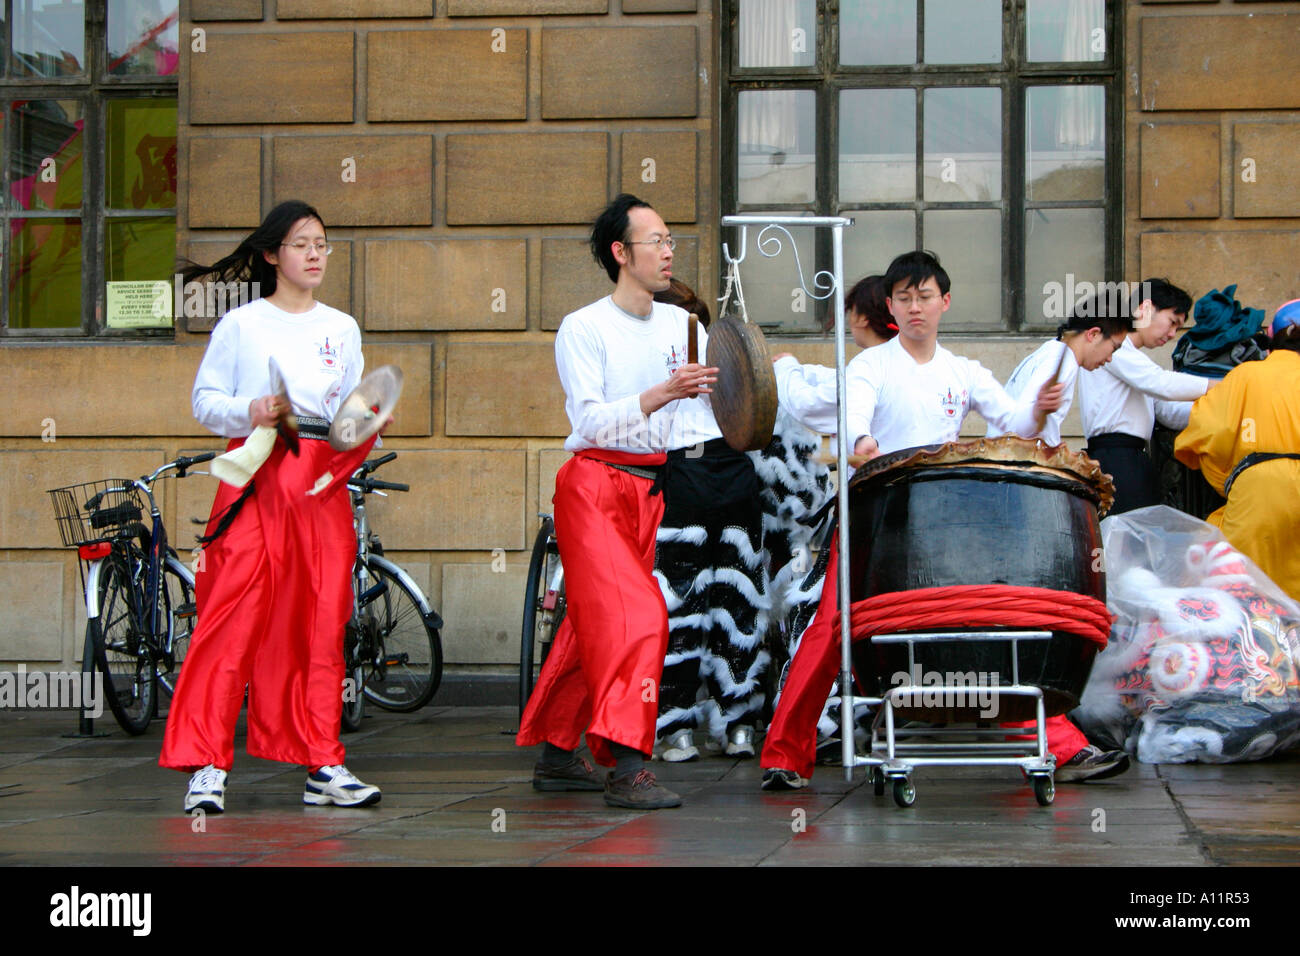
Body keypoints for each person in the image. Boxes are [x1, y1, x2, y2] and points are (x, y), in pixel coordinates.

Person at [760, 250, 1065, 790]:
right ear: (891, 307)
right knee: (833, 627)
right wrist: (862, 442)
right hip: (874, 511)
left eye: (925, 296)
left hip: (944, 518)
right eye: (904, 297)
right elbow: (855, 416)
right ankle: (785, 753)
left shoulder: (963, 372)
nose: (915, 306)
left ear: (945, 302)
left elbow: (1013, 420)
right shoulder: (869, 365)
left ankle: (1061, 743)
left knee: (992, 618)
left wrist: (1038, 409)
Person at [159, 200, 383, 813]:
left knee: (319, 623)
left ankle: (322, 761)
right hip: (257, 474)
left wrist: (366, 428)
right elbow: (205, 403)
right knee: (231, 617)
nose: (315, 254)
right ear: (271, 254)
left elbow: (353, 411)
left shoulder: (342, 327)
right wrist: (251, 410)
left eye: (323, 244)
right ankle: (207, 763)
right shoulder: (242, 326)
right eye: (302, 243)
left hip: (321, 486)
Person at [516, 194, 717, 809]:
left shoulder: (685, 327)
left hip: (648, 490)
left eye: (670, 239)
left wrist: (756, 381)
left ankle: (556, 756)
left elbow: (707, 420)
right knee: (640, 617)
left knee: (590, 628)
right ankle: (628, 767)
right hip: (593, 485)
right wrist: (661, 392)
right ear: (620, 253)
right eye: (654, 240)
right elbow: (590, 422)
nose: (668, 250)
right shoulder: (585, 327)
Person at [987, 292, 1137, 782]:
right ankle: (1054, 740)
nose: (1111, 358)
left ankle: (1052, 733)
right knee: (1040, 622)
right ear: (1093, 334)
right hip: (1027, 502)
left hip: (1012, 498)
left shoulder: (1045, 357)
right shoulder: (1062, 362)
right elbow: (1029, 436)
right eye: (1112, 346)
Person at [651, 280, 770, 762]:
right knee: (711, 603)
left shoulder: (685, 342)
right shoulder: (702, 345)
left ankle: (706, 724)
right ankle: (708, 724)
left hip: (706, 471)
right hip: (707, 473)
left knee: (708, 604)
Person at [1174, 300, 1300, 601]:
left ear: (1272, 337)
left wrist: (1227, 478)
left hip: (1263, 489)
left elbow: (1207, 431)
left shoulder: (1247, 374)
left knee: (1242, 590)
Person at [1077, 278, 1217, 514]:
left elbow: (1167, 412)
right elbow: (1161, 383)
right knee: (1125, 540)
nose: (1172, 334)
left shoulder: (1136, 360)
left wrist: (1221, 410)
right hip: (1115, 459)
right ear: (1146, 308)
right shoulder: (1113, 345)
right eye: (1172, 322)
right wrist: (1224, 386)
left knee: (1139, 541)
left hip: (1134, 458)